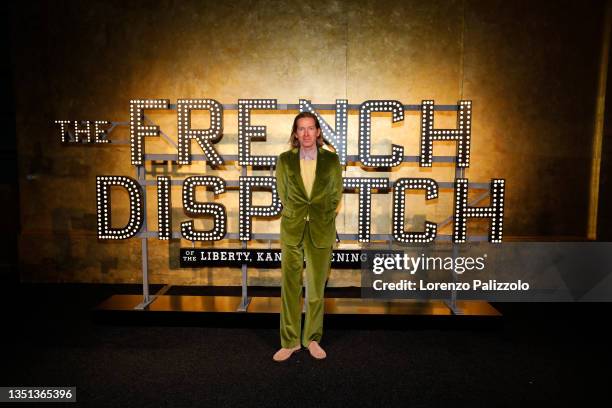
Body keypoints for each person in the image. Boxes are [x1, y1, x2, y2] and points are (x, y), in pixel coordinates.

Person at [272, 112, 343, 362]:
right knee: (290, 288)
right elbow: (283, 193)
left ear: (318, 132)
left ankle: (312, 339)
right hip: (292, 230)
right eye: (301, 129)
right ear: (295, 133)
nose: (306, 134)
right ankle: (289, 342)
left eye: (310, 128)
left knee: (315, 290)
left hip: (321, 231)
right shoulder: (284, 160)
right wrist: (296, 214)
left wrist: (322, 216)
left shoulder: (332, 161)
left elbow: (335, 195)